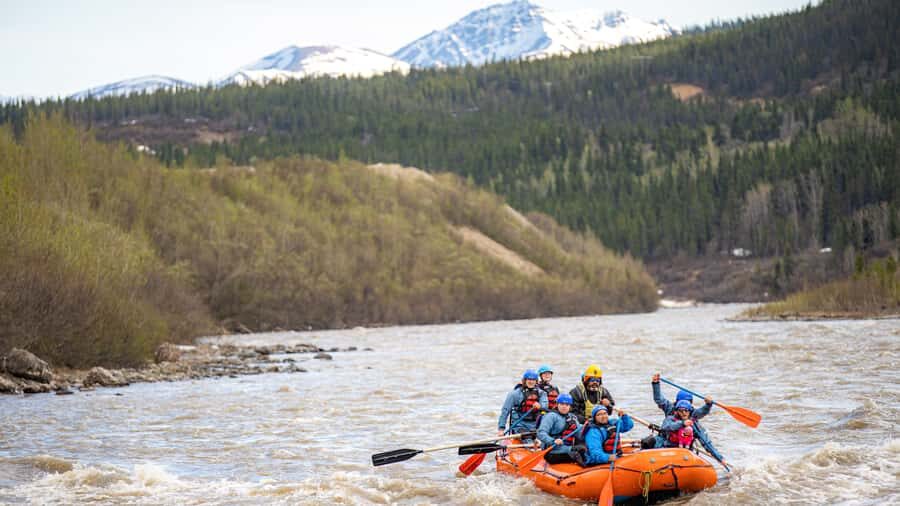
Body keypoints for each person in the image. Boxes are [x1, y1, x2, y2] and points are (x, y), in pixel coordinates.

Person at [647, 373, 726, 466]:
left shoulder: (693, 419)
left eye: (686, 409)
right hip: (667, 443)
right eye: (681, 410)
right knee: (648, 442)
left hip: (684, 449)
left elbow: (706, 442)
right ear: (676, 406)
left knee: (701, 438)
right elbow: (660, 402)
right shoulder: (670, 413)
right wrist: (656, 384)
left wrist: (708, 405)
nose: (684, 412)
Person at [498, 369, 549, 437]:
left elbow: (545, 406)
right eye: (529, 380)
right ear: (524, 380)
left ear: (536, 381)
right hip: (519, 424)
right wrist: (501, 429)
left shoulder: (542, 393)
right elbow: (505, 411)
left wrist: (540, 406)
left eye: (533, 380)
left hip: (535, 424)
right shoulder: (515, 394)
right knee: (527, 437)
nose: (531, 382)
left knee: (540, 436)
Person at [536, 393, 581, 464]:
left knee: (582, 449)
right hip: (552, 451)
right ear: (557, 404)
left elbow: (580, 434)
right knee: (577, 453)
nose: (564, 407)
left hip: (567, 448)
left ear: (570, 406)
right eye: (562, 404)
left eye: (567, 405)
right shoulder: (551, 416)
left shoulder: (573, 418)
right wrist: (553, 441)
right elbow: (541, 433)